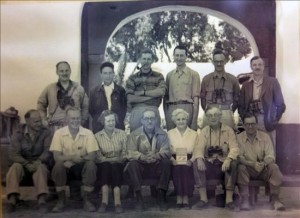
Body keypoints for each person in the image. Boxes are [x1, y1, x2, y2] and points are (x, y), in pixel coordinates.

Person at [49, 107, 98, 212]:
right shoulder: (59, 133)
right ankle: (61, 200)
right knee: (58, 166)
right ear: (66, 119)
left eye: (78, 118)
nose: (76, 121)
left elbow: (93, 156)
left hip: (82, 166)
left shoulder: (88, 133)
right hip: (66, 168)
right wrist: (71, 158)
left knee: (91, 165)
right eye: (73, 118)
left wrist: (78, 159)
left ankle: (87, 200)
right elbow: (56, 157)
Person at [192, 106, 239, 210]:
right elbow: (198, 147)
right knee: (196, 162)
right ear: (207, 118)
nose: (212, 118)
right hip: (210, 165)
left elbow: (234, 148)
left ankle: (229, 201)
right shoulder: (204, 131)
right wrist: (199, 158)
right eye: (209, 116)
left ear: (220, 116)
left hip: (224, 165)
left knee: (234, 163)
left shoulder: (228, 130)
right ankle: (203, 199)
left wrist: (229, 159)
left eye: (215, 115)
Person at [6, 109, 52, 213]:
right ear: (27, 121)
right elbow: (13, 155)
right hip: (22, 164)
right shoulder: (17, 133)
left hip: (39, 162)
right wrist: (26, 163)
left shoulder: (46, 132)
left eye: (40, 120)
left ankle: (42, 201)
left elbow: (47, 151)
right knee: (15, 167)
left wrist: (38, 161)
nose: (39, 124)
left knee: (41, 168)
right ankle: (13, 200)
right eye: (36, 122)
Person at [126, 109, 172, 211]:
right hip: (142, 167)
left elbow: (167, 150)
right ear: (142, 120)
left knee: (166, 162)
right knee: (132, 164)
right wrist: (142, 157)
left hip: (156, 166)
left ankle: (162, 195)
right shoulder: (134, 134)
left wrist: (156, 155)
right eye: (146, 119)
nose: (149, 121)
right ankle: (138, 196)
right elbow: (130, 151)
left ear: (156, 120)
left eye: (152, 118)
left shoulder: (162, 133)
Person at [237, 115, 285, 211]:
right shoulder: (239, 138)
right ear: (243, 125)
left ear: (257, 124)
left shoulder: (265, 137)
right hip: (248, 168)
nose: (250, 126)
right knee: (240, 168)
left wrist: (263, 163)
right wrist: (252, 164)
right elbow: (239, 158)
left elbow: (270, 156)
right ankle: (245, 199)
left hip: (263, 168)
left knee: (274, 167)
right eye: (247, 124)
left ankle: (275, 199)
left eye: (253, 124)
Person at [238, 56, 286, 147]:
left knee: (269, 149)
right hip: (251, 120)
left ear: (263, 66)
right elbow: (240, 105)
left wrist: (273, 121)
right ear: (251, 67)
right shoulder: (245, 85)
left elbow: (281, 105)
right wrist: (245, 119)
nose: (257, 67)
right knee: (252, 149)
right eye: (254, 65)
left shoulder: (273, 82)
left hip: (266, 120)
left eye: (260, 64)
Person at [37, 61, 89, 130]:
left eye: (66, 70)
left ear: (70, 71)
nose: (64, 73)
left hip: (74, 127)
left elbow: (85, 106)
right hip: (55, 127)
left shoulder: (79, 88)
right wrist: (44, 119)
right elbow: (41, 104)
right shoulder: (49, 88)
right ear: (57, 72)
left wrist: (82, 121)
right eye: (61, 71)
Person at [94, 110, 127, 213]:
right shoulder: (97, 136)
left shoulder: (122, 134)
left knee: (115, 167)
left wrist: (118, 159)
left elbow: (125, 153)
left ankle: (117, 202)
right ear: (103, 122)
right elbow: (98, 156)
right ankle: (105, 201)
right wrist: (112, 159)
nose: (111, 123)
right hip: (103, 165)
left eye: (113, 120)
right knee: (106, 166)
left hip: (119, 164)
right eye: (108, 121)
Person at [125, 48, 166, 132]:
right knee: (136, 140)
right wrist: (152, 97)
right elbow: (130, 98)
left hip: (153, 109)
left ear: (152, 61)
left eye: (148, 59)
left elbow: (161, 92)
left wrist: (142, 93)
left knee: (154, 140)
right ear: (140, 60)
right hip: (137, 111)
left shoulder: (159, 76)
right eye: (144, 59)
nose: (146, 61)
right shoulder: (133, 78)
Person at [200, 49, 240, 129]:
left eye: (221, 61)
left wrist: (229, 111)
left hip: (226, 113)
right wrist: (208, 111)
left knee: (228, 138)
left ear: (225, 61)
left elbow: (237, 98)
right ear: (212, 62)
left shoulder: (232, 79)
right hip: (210, 113)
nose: (219, 64)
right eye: (216, 61)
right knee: (208, 138)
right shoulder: (206, 79)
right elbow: (202, 98)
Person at [164, 45, 200, 131]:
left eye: (181, 55)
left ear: (186, 57)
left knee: (188, 138)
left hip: (187, 108)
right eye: (177, 55)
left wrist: (194, 120)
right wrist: (166, 116)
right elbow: (165, 98)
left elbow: (196, 99)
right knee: (172, 138)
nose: (179, 58)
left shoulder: (194, 74)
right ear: (174, 56)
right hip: (171, 109)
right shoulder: (169, 75)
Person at [167, 108, 198, 209]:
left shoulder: (194, 134)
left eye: (183, 119)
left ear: (187, 120)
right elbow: (166, 150)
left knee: (185, 169)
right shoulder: (169, 133)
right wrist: (172, 160)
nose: (181, 121)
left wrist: (191, 160)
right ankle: (178, 198)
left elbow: (197, 150)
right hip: (174, 159)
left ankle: (185, 199)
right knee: (177, 169)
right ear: (174, 121)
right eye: (178, 119)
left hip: (189, 159)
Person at [89, 62, 127, 133]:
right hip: (99, 128)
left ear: (113, 74)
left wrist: (116, 121)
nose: (108, 76)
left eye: (110, 73)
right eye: (105, 73)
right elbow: (91, 110)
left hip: (117, 127)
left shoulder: (121, 90)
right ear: (101, 75)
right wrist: (101, 120)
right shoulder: (94, 91)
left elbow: (124, 109)